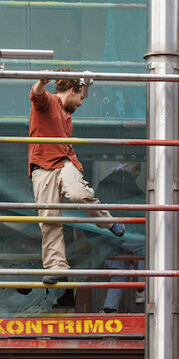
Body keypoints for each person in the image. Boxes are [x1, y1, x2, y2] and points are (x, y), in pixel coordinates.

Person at [28, 72, 125, 285]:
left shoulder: (66, 112)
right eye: (81, 97)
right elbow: (36, 96)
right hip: (43, 166)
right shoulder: (48, 102)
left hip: (64, 162)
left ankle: (107, 220)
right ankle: (57, 267)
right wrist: (43, 81)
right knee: (49, 219)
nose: (81, 103)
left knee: (79, 194)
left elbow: (79, 93)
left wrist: (86, 82)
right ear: (72, 91)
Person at [95, 160, 146, 313]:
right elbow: (139, 200)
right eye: (136, 168)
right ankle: (142, 289)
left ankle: (109, 309)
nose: (137, 173)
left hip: (98, 234)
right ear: (126, 166)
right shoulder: (124, 177)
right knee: (145, 247)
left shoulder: (107, 182)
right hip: (113, 231)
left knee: (120, 271)